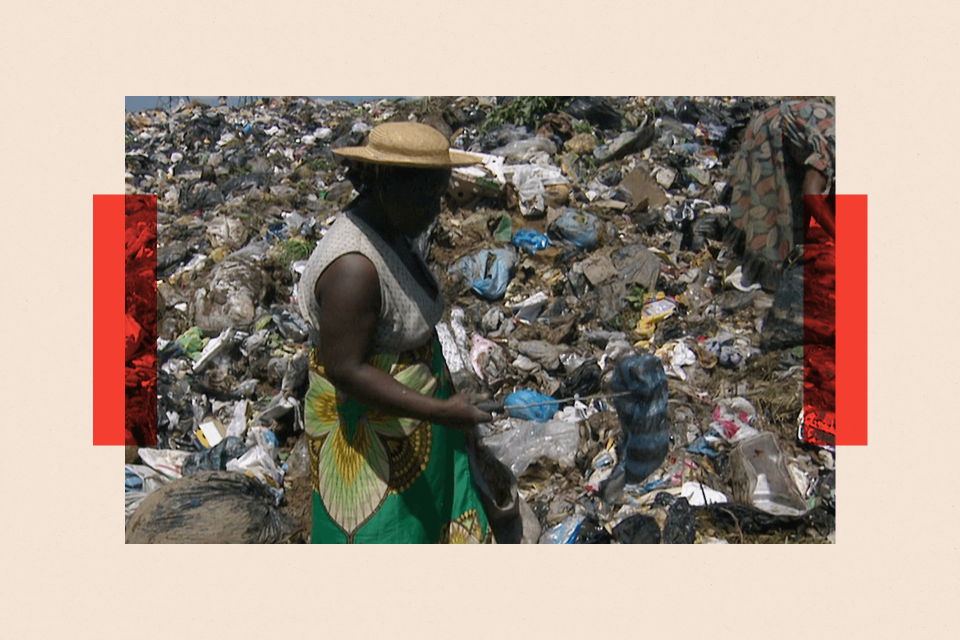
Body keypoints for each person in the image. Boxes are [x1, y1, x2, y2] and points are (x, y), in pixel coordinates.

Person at [297, 122, 495, 543]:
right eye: (427, 195)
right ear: (386, 183)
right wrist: (442, 411)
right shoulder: (354, 267)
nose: (435, 209)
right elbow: (345, 370)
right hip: (369, 446)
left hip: (413, 427)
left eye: (440, 195)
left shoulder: (391, 229)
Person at [723, 100, 835, 292]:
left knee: (795, 212)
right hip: (769, 132)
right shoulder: (833, 148)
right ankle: (765, 276)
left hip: (794, 137)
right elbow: (811, 192)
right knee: (771, 212)